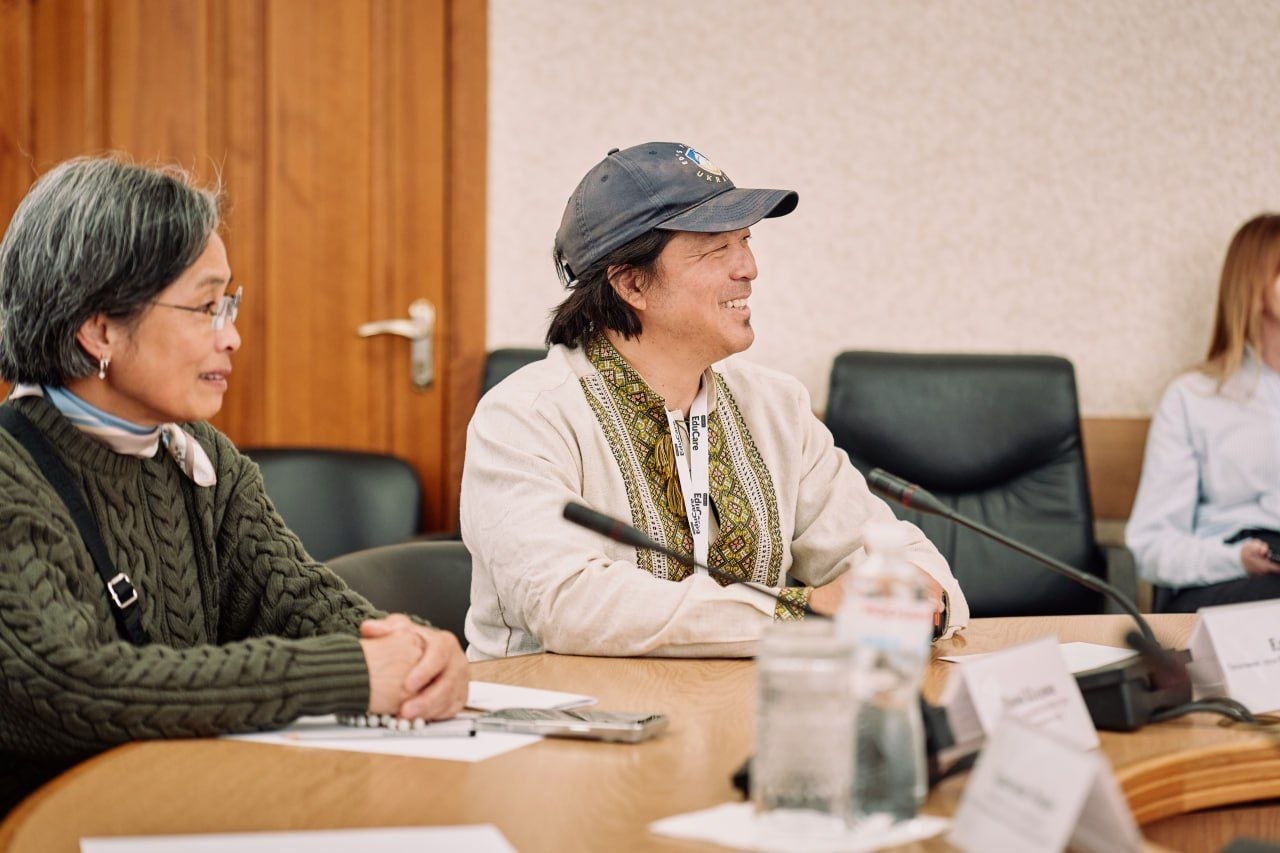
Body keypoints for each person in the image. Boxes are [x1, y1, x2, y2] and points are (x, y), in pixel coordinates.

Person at [0, 157, 468, 812]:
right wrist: (348, 674)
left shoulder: (198, 455)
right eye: (205, 307)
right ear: (100, 328)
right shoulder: (12, 473)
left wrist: (416, 650)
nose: (233, 336)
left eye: (229, 304)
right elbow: (72, 685)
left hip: (189, 806)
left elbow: (295, 597)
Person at [460, 142, 968, 660]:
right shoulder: (524, 417)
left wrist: (920, 594)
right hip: (564, 706)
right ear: (632, 283)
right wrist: (804, 610)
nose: (749, 268)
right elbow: (568, 605)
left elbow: (889, 552)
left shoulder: (777, 406)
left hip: (736, 702)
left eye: (744, 240)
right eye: (715, 249)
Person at [1127, 213, 1280, 611]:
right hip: (1225, 576)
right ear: (1254, 286)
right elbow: (1153, 547)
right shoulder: (1191, 398)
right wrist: (1235, 559)